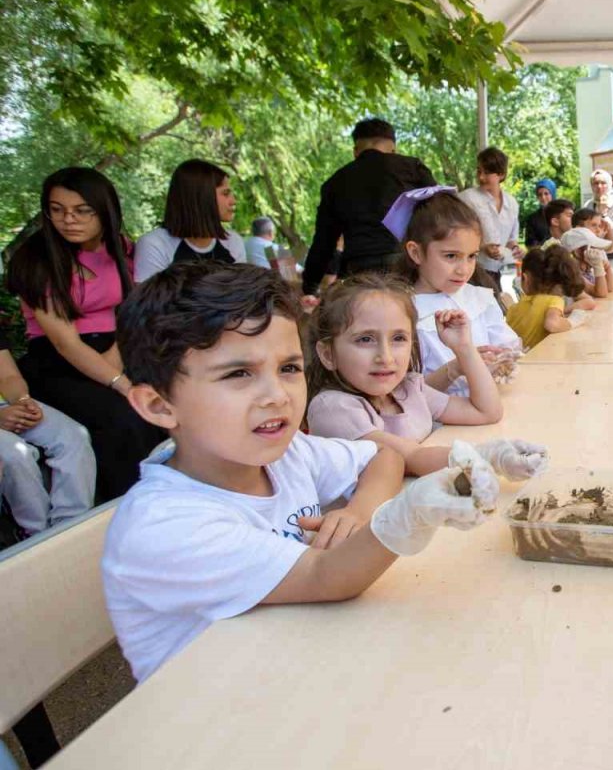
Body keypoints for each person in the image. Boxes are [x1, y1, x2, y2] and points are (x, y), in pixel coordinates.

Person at [103, 262, 503, 683]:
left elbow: (381, 458)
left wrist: (359, 511)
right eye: (239, 374)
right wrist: (412, 512)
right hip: (213, 718)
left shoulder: (287, 454)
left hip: (295, 668)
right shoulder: (164, 526)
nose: (277, 396)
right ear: (158, 406)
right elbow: (325, 576)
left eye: (289, 369)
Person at [7, 167, 167, 502]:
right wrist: (120, 382)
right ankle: (126, 511)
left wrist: (117, 359)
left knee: (169, 400)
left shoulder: (122, 249)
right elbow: (66, 344)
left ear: (104, 211)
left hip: (117, 348)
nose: (69, 219)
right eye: (57, 209)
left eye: (82, 210)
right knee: (123, 415)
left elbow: (134, 310)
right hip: (58, 363)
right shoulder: (35, 260)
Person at [306, 274, 548, 479]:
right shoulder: (333, 408)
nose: (386, 357)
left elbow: (487, 411)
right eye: (365, 339)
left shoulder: (408, 389)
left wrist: (464, 348)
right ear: (328, 354)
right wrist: (490, 457)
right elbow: (411, 457)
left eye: (398, 338)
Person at [381, 186, 522, 394]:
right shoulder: (402, 313)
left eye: (471, 256)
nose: (464, 269)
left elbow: (508, 347)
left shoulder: (478, 299)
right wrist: (456, 369)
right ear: (416, 252)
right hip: (442, 422)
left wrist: (502, 359)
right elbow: (404, 395)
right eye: (450, 256)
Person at [303, 118, 435, 295]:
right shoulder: (412, 168)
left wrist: (309, 286)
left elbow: (324, 242)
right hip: (406, 265)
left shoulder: (335, 182)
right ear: (393, 150)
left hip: (358, 271)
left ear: (356, 151)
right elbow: (440, 214)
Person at [0, 327, 95, 536]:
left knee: (73, 436)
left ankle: (71, 527)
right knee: (15, 455)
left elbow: (7, 375)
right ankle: (37, 535)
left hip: (6, 402)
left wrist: (23, 400)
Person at [134, 159, 246, 282]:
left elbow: (244, 295)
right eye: (225, 193)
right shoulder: (155, 245)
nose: (233, 201)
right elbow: (149, 299)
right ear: (201, 196)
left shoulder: (233, 242)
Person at [459, 147, 525, 299]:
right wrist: (482, 247)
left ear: (501, 174)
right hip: (472, 271)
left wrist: (515, 249)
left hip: (498, 271)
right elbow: (456, 235)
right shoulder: (467, 199)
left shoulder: (512, 203)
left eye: (487, 172)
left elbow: (511, 241)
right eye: (478, 171)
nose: (481, 177)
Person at [506, 245, 589, 349]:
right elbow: (551, 324)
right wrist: (574, 321)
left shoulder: (514, 309)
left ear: (524, 278)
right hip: (540, 360)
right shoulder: (554, 301)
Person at [584, 169, 613, 275]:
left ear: (609, 184)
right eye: (596, 183)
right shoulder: (589, 205)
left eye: (603, 183)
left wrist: (604, 214)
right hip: (595, 252)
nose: (599, 186)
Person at [561, 223, 613, 298]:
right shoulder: (571, 273)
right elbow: (601, 293)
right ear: (578, 251)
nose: (598, 252)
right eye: (593, 248)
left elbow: (609, 288)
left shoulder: (587, 270)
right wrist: (598, 267)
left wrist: (607, 267)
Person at [523, 178, 557, 249]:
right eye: (540, 195)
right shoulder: (532, 218)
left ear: (552, 194)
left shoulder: (561, 215)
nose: (543, 197)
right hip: (540, 256)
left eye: (546, 194)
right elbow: (530, 242)